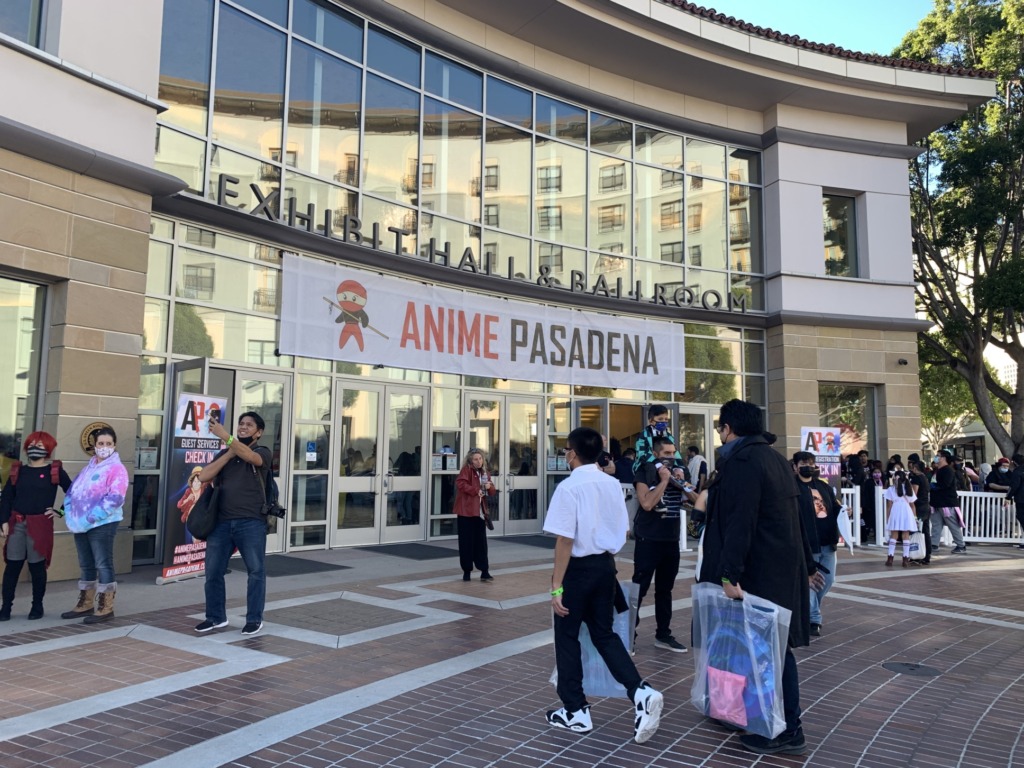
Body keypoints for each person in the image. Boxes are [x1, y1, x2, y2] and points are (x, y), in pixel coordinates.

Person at [699, 400, 821, 756]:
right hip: (779, 570)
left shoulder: (744, 462)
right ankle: (749, 714)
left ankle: (785, 729)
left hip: (758, 574)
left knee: (770, 653)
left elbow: (741, 521)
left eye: (720, 428)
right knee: (759, 649)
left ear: (729, 428)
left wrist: (728, 573)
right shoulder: (774, 459)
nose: (720, 435)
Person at [543, 427, 663, 743]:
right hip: (605, 568)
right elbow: (623, 532)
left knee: (567, 637)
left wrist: (556, 585)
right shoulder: (612, 485)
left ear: (571, 453)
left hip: (577, 570)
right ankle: (640, 691)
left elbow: (564, 540)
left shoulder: (568, 488)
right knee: (604, 634)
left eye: (565, 449)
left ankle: (575, 710)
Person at [195, 411, 272, 636]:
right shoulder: (225, 452)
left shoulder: (262, 451)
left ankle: (254, 619)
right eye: (241, 423)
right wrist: (228, 453)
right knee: (213, 571)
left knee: (256, 571)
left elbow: (253, 459)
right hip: (221, 522)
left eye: (249, 425)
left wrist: (227, 438)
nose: (243, 427)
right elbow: (203, 476)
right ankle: (215, 617)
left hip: (251, 522)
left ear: (259, 432)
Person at [0, 432, 72, 620]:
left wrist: (60, 512)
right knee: (12, 566)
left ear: (48, 449)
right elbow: (7, 497)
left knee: (36, 567)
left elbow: (73, 492)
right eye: (32, 443)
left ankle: (37, 606)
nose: (35, 447)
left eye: (40, 444)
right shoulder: (18, 470)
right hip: (17, 523)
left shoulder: (54, 471)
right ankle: (6, 607)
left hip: (40, 524)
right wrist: (3, 521)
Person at [61, 427, 128, 624]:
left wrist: (91, 518)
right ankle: (85, 603)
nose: (104, 447)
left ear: (114, 445)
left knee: (103, 563)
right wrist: (70, 516)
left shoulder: (117, 469)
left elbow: (115, 498)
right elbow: (72, 492)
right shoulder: (88, 468)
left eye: (108, 444)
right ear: (94, 445)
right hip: (80, 525)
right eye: (101, 443)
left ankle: (105, 607)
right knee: (86, 564)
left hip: (102, 523)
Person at [631, 437, 687, 653]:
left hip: (671, 539)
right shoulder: (646, 470)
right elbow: (646, 503)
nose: (671, 457)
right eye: (666, 454)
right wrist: (664, 481)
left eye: (673, 453)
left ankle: (663, 634)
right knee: (640, 588)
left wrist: (680, 482)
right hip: (649, 538)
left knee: (665, 589)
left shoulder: (679, 471)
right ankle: (628, 636)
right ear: (656, 454)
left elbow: (694, 499)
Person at [792, 452, 841, 638]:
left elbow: (834, 508)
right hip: (807, 544)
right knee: (811, 581)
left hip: (828, 542)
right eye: (804, 463)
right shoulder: (792, 488)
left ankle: (809, 609)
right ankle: (814, 619)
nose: (809, 466)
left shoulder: (823, 487)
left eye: (812, 463)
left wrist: (846, 511)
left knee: (827, 581)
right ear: (795, 467)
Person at [454, 449, 495, 582]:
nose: (479, 461)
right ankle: (467, 571)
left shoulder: (485, 473)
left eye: (480, 459)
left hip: (480, 513)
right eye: (476, 459)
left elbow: (492, 491)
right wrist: (475, 490)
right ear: (471, 460)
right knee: (466, 543)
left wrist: (489, 487)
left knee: (481, 543)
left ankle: (484, 571)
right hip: (466, 512)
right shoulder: (466, 470)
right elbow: (461, 484)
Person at [632, 405, 687, 485]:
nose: (664, 422)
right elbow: (642, 454)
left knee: (683, 469)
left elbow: (675, 453)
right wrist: (658, 464)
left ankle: (685, 489)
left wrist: (679, 468)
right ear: (651, 421)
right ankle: (652, 487)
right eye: (660, 419)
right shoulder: (643, 435)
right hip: (645, 464)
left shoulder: (669, 436)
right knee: (651, 468)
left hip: (665, 463)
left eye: (666, 419)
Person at [931, 449, 967, 555]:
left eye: (938, 456)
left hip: (947, 503)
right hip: (937, 503)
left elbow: (945, 485)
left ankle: (961, 545)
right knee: (936, 524)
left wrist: (934, 487)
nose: (936, 458)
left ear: (943, 458)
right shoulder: (938, 470)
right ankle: (934, 544)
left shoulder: (948, 470)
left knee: (953, 525)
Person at [884, 471, 917, 567]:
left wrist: (888, 517)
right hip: (906, 511)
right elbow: (913, 505)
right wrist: (914, 517)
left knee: (894, 535)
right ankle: (905, 559)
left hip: (896, 510)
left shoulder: (891, 489)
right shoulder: (908, 488)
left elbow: (889, 505)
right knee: (905, 535)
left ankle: (890, 558)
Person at [909, 461, 932, 565]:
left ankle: (918, 554)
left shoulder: (916, 478)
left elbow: (913, 494)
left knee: (917, 531)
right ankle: (927, 555)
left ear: (915, 468)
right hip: (926, 506)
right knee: (925, 532)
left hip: (918, 507)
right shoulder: (925, 477)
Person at [177, 466, 208, 544]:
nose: (196, 484)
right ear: (191, 481)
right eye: (195, 481)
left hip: (202, 522)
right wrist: (188, 499)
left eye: (199, 481)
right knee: (189, 544)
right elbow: (179, 505)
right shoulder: (188, 491)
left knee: (200, 543)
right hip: (189, 521)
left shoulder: (205, 490)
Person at [1005, 453, 1024, 550]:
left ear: (1014, 462)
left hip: (1021, 499)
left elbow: (1014, 486)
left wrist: (1008, 497)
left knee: (1022, 518)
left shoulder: (1018, 472)